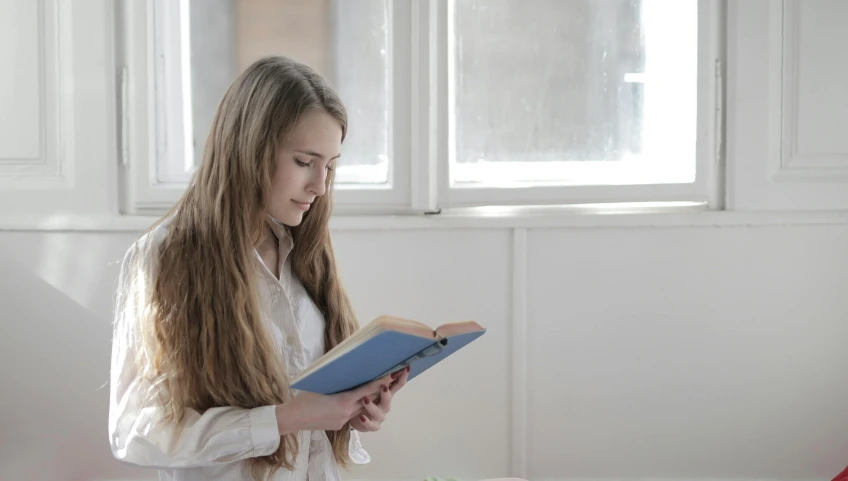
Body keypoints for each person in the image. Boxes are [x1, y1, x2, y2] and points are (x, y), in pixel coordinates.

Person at [108, 56, 409, 481]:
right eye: (305, 162)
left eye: (330, 165)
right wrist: (286, 418)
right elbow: (135, 432)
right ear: (249, 148)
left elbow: (312, 418)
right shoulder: (165, 257)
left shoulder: (303, 246)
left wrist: (354, 409)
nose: (320, 187)